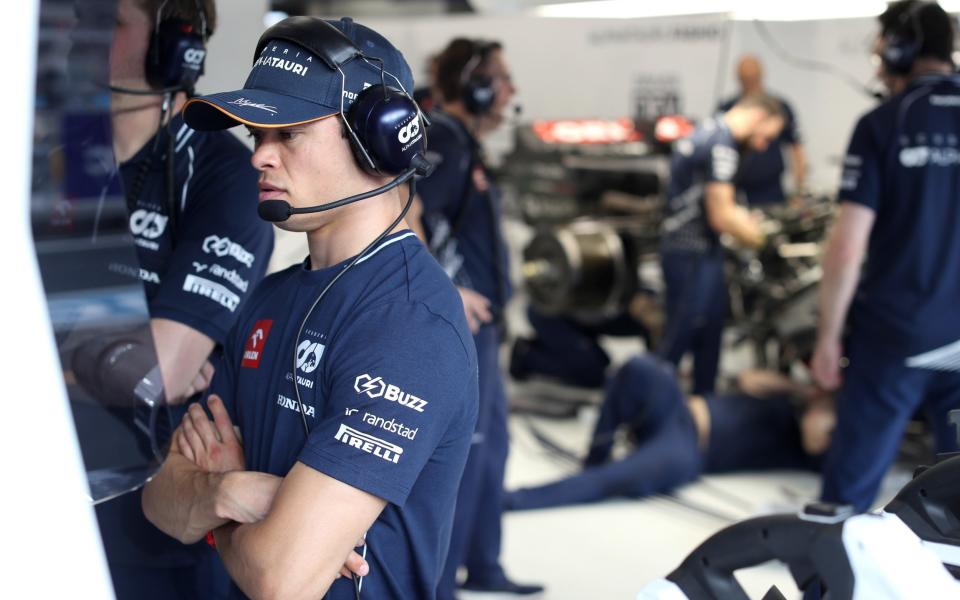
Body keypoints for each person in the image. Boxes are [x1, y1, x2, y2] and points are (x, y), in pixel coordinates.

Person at [141, 16, 478, 599]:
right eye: (256, 136)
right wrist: (227, 495)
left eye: (287, 134)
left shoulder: (409, 326)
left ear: (382, 137)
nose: (259, 158)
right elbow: (158, 498)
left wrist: (214, 514)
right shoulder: (269, 300)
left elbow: (281, 579)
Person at [96, 0, 274, 597]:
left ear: (176, 46)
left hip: (158, 517)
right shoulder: (56, 154)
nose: (77, 37)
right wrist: (111, 356)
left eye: (110, 22)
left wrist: (65, 348)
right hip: (40, 489)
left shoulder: (224, 173)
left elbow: (159, 372)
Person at [812, 0, 960, 513]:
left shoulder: (883, 124)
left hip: (893, 338)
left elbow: (848, 246)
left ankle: (827, 593)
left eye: (882, 47)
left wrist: (828, 338)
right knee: (957, 504)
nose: (878, 61)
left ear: (903, 46)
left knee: (845, 503)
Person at [416, 39, 542, 597]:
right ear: (476, 86)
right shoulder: (443, 136)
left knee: (492, 450)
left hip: (488, 329)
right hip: (463, 329)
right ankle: (440, 585)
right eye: (503, 78)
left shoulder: (464, 142)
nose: (511, 90)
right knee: (464, 456)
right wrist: (445, 292)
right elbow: (405, 206)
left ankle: (484, 566)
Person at [504, 355, 831, 511]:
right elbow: (749, 377)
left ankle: (512, 500)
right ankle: (596, 456)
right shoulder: (792, 398)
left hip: (690, 448)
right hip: (676, 409)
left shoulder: (822, 437)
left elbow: (814, 434)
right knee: (641, 367)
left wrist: (831, 401)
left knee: (613, 479)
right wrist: (805, 389)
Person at [657, 94, 783, 394]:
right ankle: (646, 411)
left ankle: (704, 407)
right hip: (691, 254)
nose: (763, 145)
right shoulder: (722, 144)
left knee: (710, 334)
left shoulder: (708, 131)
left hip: (699, 252)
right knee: (680, 337)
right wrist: (764, 239)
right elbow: (720, 215)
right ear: (756, 117)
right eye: (766, 136)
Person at [718, 56, 808, 206]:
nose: (761, 144)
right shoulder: (728, 110)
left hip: (771, 190)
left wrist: (799, 190)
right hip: (737, 189)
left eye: (754, 78)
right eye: (745, 79)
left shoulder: (780, 107)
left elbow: (796, 147)